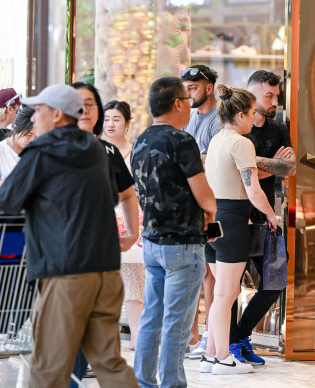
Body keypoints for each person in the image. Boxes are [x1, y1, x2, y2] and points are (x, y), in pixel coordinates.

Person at [0, 84, 138, 388]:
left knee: (47, 367)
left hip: (66, 272)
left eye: (39, 111)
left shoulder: (42, 150)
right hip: (106, 270)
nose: (33, 119)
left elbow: (4, 202)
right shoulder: (97, 149)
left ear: (57, 115)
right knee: (109, 361)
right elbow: (112, 196)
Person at [131, 77, 216, 388]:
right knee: (176, 323)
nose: (190, 108)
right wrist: (212, 210)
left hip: (152, 243)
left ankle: (144, 381)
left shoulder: (140, 140)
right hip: (182, 244)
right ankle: (171, 385)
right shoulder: (182, 141)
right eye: (188, 100)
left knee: (152, 317)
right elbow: (204, 194)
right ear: (178, 103)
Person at [202, 84, 277, 375]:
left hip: (212, 218)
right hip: (233, 219)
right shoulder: (241, 143)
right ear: (242, 114)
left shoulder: (217, 139)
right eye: (252, 114)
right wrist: (272, 216)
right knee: (226, 293)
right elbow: (254, 190)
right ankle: (222, 357)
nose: (253, 120)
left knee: (221, 292)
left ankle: (211, 354)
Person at [71, 83, 140, 385]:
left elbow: (127, 194)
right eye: (78, 103)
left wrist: (132, 232)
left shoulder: (108, 150)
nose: (86, 110)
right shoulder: (47, 147)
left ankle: (80, 368)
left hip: (100, 246)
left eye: (91, 103)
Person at [227, 70, 297, 365]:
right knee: (230, 285)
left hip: (267, 217)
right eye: (269, 95)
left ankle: (239, 336)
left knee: (276, 281)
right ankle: (231, 343)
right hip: (237, 215)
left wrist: (257, 165)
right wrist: (271, 165)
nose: (275, 101)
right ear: (251, 93)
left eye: (276, 95)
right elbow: (238, 170)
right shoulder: (234, 129)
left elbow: (290, 167)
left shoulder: (278, 128)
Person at [181, 64, 222, 358]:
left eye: (192, 88)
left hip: (213, 202)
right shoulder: (191, 117)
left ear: (209, 88)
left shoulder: (219, 119)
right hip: (192, 201)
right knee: (197, 273)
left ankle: (209, 336)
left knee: (210, 274)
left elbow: (208, 161)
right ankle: (193, 337)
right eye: (185, 88)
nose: (188, 93)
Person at [101, 100, 145, 350]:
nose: (110, 124)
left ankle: (137, 335)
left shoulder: (135, 151)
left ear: (127, 123)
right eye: (106, 119)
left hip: (131, 220)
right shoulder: (97, 150)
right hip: (103, 220)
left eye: (116, 119)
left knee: (133, 277)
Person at [0, 105, 36, 196]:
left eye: (36, 136)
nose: (32, 140)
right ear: (15, 128)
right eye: (29, 135)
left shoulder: (35, 150)